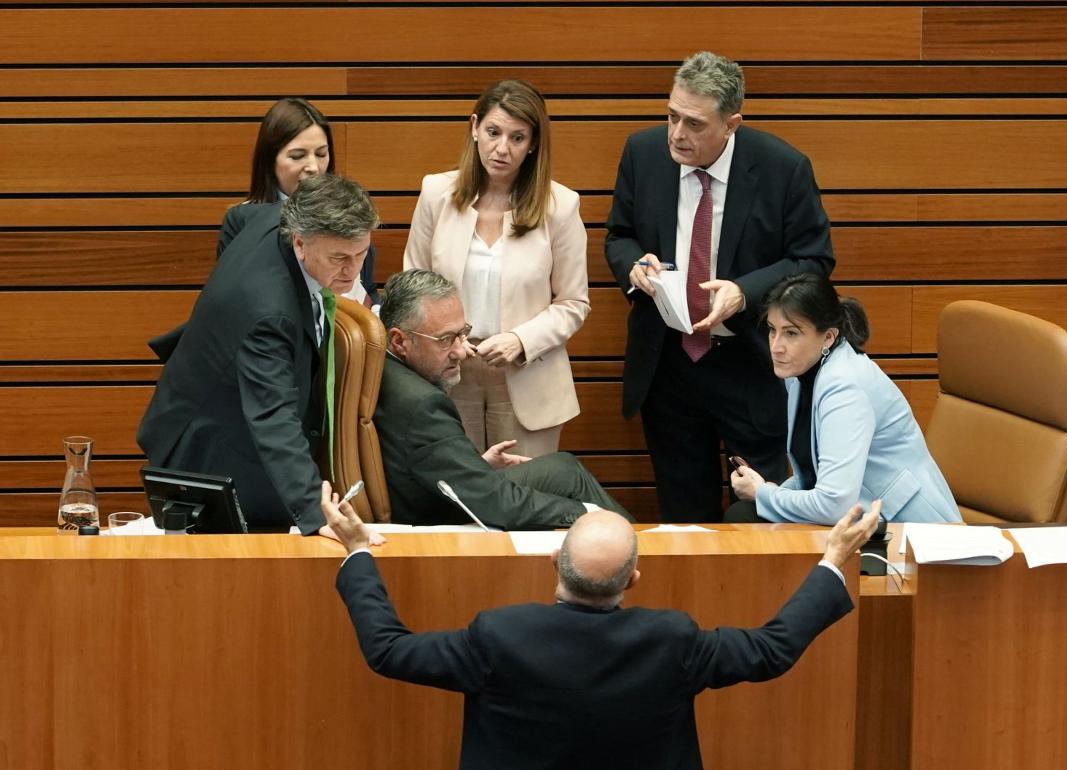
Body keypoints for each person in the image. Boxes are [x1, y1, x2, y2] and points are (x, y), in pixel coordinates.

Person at [323, 478, 880, 770]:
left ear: (553, 564)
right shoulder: (672, 641)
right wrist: (833, 559)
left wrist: (356, 551)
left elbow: (388, 650)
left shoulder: (499, 636)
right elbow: (771, 650)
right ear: (633, 580)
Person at [604, 51, 834, 523]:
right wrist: (633, 267)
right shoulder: (643, 153)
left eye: (693, 123)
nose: (676, 134)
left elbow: (814, 259)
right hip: (668, 364)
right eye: (671, 116)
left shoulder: (782, 168)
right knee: (683, 520)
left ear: (731, 124)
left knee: (761, 516)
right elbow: (619, 235)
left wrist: (744, 292)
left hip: (750, 365)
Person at [137, 174, 380, 535]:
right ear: (299, 242)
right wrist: (317, 513)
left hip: (223, 405)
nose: (353, 270)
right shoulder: (269, 312)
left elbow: (236, 218)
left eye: (362, 253)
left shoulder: (283, 213)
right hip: (211, 449)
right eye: (339, 257)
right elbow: (273, 416)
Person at [404, 80, 588, 458]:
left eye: (517, 138)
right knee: (459, 503)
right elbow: (411, 289)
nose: (502, 148)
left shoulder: (561, 206)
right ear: (474, 128)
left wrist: (521, 340)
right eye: (493, 132)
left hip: (526, 377)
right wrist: (445, 341)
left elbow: (573, 303)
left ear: (533, 143)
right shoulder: (436, 194)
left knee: (527, 502)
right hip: (449, 374)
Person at [375, 269, 628, 529]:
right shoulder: (423, 405)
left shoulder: (384, 367)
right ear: (399, 341)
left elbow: (421, 459)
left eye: (462, 333)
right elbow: (499, 504)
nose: (461, 351)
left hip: (438, 492)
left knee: (564, 469)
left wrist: (473, 465)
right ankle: (635, 548)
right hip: (437, 519)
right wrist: (588, 513)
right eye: (445, 340)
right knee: (594, 512)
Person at [728, 273, 961, 525]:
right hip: (864, 518)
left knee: (745, 518)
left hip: (908, 532)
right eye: (773, 330)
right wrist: (772, 492)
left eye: (791, 333)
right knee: (746, 518)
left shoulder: (845, 387)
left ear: (828, 336)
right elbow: (813, 476)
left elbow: (832, 504)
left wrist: (764, 494)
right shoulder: (800, 373)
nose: (776, 346)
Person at [221, 97, 377, 304]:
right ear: (270, 160)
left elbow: (368, 289)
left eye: (321, 154)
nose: (313, 166)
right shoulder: (243, 219)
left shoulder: (350, 214)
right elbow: (234, 298)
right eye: (297, 156)